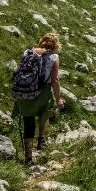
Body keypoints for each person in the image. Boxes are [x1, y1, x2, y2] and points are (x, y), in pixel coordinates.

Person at [12, 33, 64, 164]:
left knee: (28, 121)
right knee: (44, 113)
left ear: (42, 42)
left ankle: (28, 157)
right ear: (56, 45)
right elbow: (55, 80)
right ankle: (41, 140)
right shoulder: (54, 57)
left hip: (25, 91)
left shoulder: (28, 52)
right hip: (43, 91)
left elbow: (20, 70)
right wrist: (58, 99)